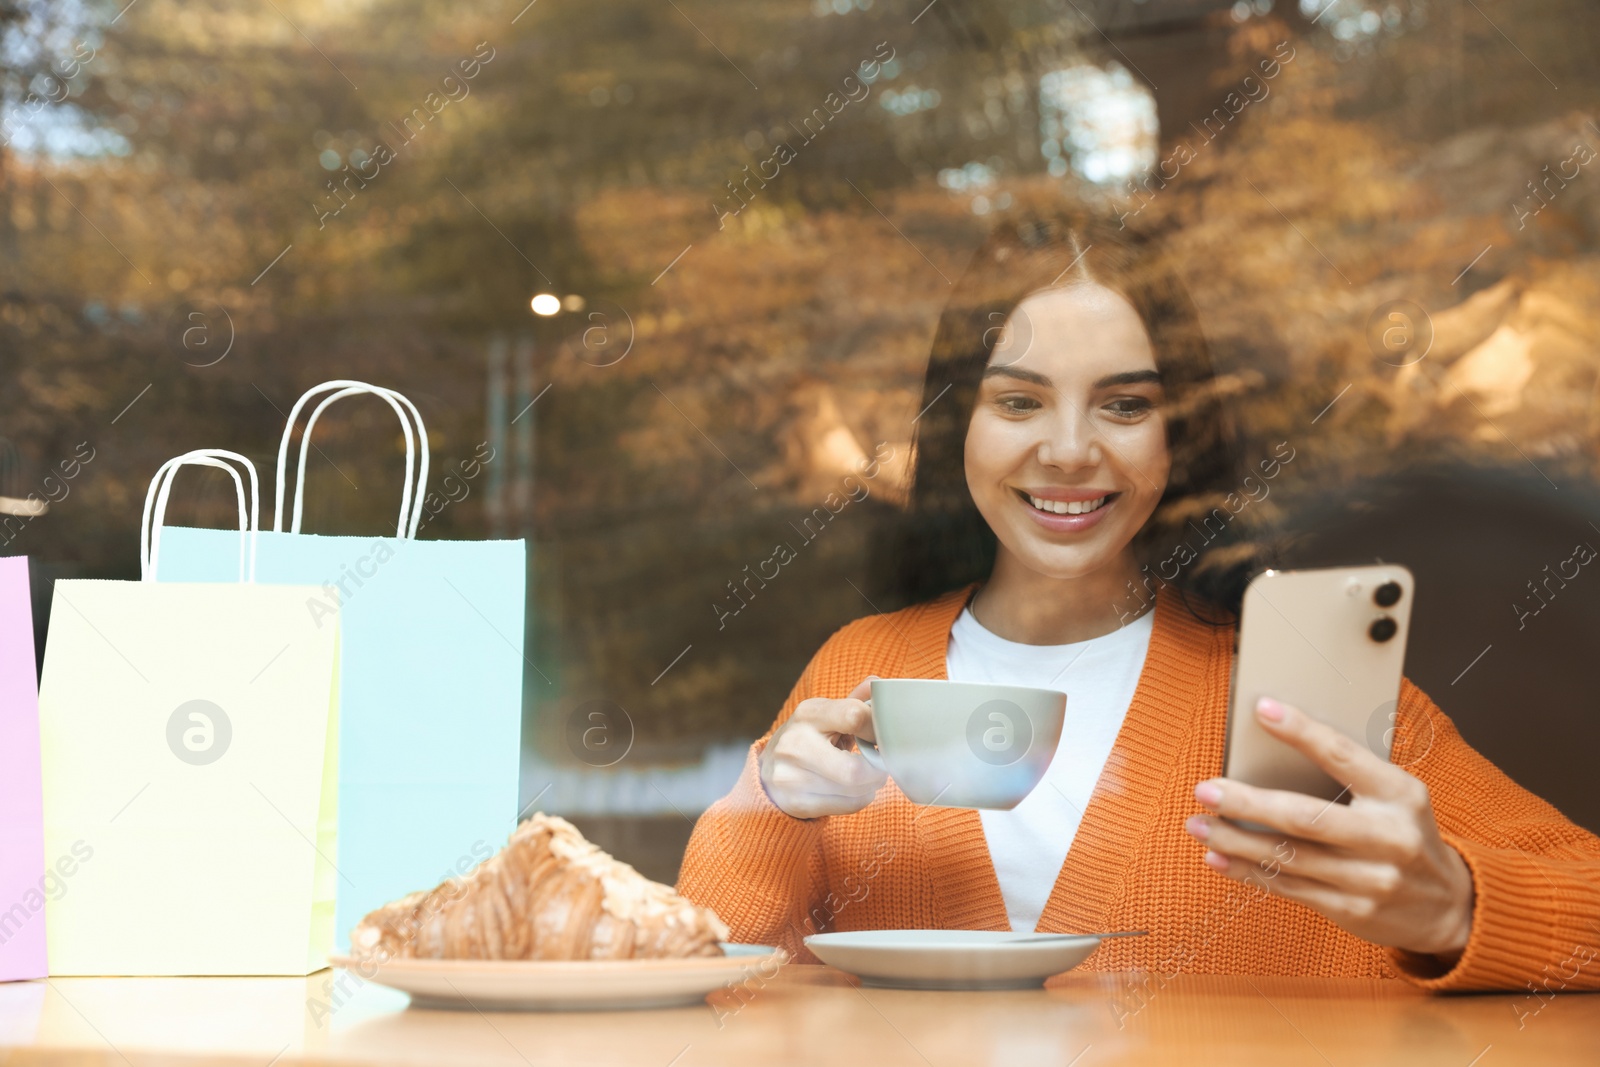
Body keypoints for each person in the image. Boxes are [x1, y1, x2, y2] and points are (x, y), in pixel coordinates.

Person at [676, 211, 1600, 992]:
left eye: (1123, 405)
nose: (1071, 450)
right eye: (1020, 402)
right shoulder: (861, 666)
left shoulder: (1289, 687)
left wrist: (1456, 906)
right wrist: (768, 808)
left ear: (1179, 438)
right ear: (959, 423)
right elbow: (711, 967)